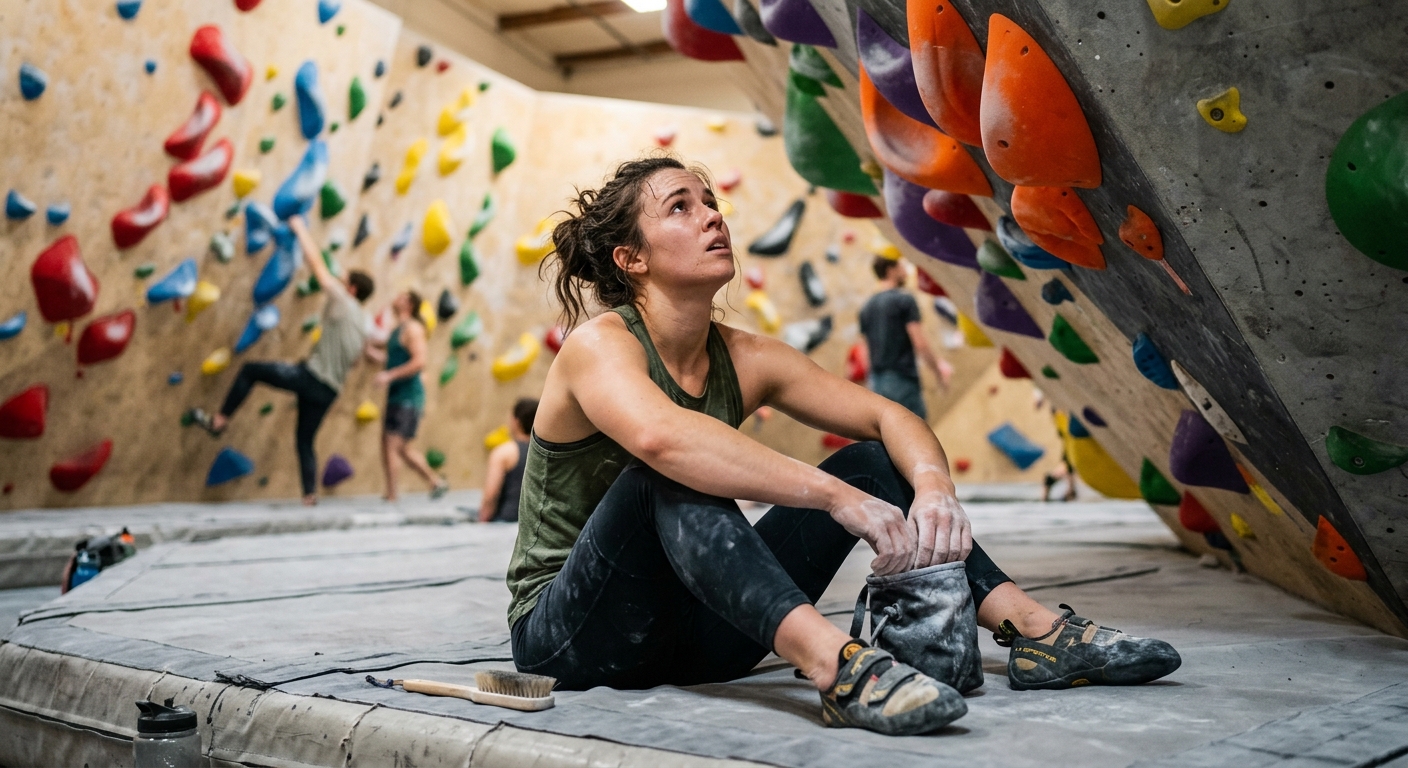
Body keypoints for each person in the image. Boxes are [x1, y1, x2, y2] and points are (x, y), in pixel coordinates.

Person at [506, 156, 1180, 736]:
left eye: (711, 202)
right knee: (666, 475)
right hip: (574, 635)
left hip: (706, 633)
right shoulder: (600, 346)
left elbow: (890, 417)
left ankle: (1032, 632)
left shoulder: (746, 355)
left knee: (872, 460)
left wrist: (934, 490)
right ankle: (838, 666)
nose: (713, 216)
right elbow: (662, 438)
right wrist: (835, 498)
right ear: (633, 259)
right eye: (680, 208)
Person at [186, 216, 373, 506]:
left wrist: (300, 229)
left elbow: (319, 269)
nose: (339, 281)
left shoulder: (343, 301)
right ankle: (310, 496)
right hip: (330, 390)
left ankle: (219, 421)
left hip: (311, 377)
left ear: (352, 290)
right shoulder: (364, 322)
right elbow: (356, 361)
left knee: (251, 371)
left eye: (344, 280)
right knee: (305, 440)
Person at [363, 290, 448, 502]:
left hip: (408, 397)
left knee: (393, 445)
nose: (395, 297)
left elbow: (419, 362)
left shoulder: (413, 329)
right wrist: (373, 353)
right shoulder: (397, 331)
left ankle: (393, 495)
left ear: (409, 304)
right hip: (397, 396)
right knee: (398, 447)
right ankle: (435, 481)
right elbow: (394, 358)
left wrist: (389, 376)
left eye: (401, 296)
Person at [856, 257, 947, 420]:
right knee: (917, 435)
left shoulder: (865, 308)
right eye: (901, 266)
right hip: (901, 380)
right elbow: (920, 343)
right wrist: (938, 373)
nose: (906, 271)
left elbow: (865, 354)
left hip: (876, 384)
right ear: (891, 270)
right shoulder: (904, 299)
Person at [479, 398, 537, 523]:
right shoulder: (545, 453)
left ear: (516, 421)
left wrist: (482, 521)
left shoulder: (504, 453)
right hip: (534, 523)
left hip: (506, 520)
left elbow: (491, 495)